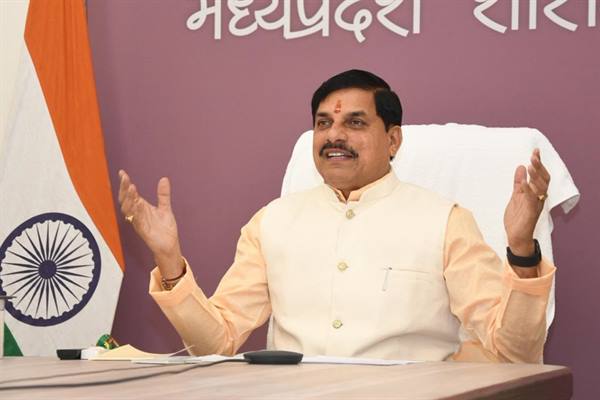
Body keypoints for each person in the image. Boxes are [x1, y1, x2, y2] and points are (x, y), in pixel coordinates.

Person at [118, 70, 554, 363]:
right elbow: (216, 343)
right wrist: (170, 262)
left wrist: (521, 249)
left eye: (356, 123)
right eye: (323, 123)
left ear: (393, 140)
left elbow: (512, 352)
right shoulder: (272, 222)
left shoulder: (445, 221)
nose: (334, 136)